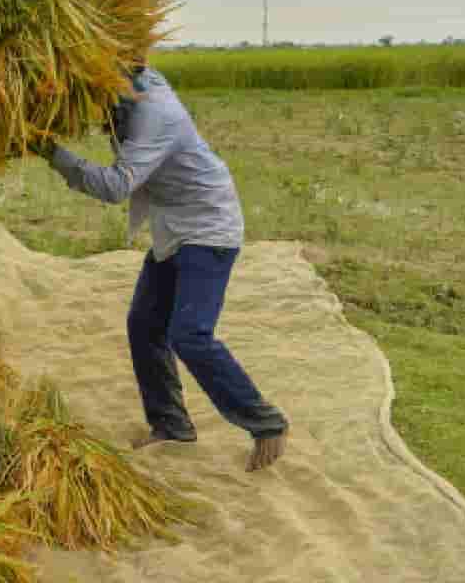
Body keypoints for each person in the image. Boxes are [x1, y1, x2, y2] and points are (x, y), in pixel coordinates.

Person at [35, 66, 289, 472]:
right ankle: (171, 425)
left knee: (190, 335)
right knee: (144, 324)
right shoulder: (135, 83)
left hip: (208, 230)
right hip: (173, 227)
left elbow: (116, 186)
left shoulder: (156, 114)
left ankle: (265, 422)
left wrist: (50, 151)